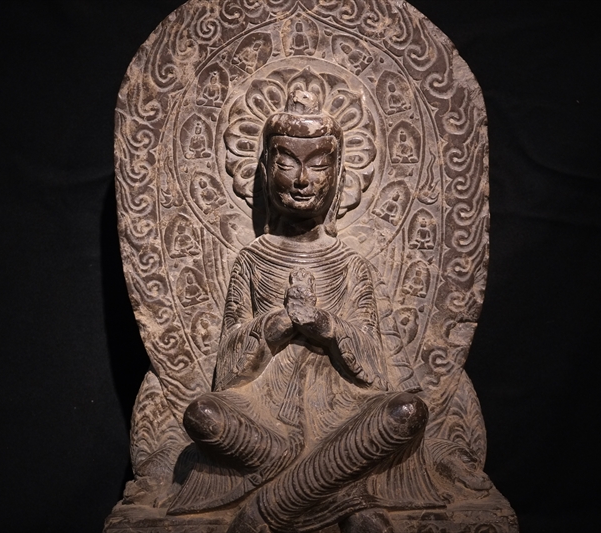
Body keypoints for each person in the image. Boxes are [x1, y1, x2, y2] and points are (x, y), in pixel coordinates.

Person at [168, 88, 440, 533]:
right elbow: (228, 371)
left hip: (342, 413)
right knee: (203, 415)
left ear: (339, 173)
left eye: (318, 165)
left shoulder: (350, 264)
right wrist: (276, 323)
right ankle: (341, 496)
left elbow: (375, 367)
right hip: (264, 417)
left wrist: (325, 325)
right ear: (263, 171)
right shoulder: (252, 260)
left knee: (406, 413)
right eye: (287, 163)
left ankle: (265, 510)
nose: (302, 179)